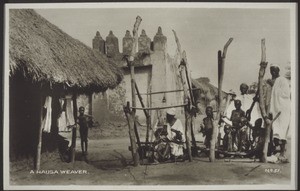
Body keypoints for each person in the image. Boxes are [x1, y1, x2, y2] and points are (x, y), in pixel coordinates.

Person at [266, 64, 291, 162]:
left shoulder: (282, 80)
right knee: (275, 131)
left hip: (282, 110)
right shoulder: (273, 81)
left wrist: (273, 84)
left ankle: (282, 154)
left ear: (278, 71)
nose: (273, 72)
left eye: (275, 70)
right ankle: (275, 152)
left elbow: (285, 94)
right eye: (271, 70)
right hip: (274, 110)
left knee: (282, 131)